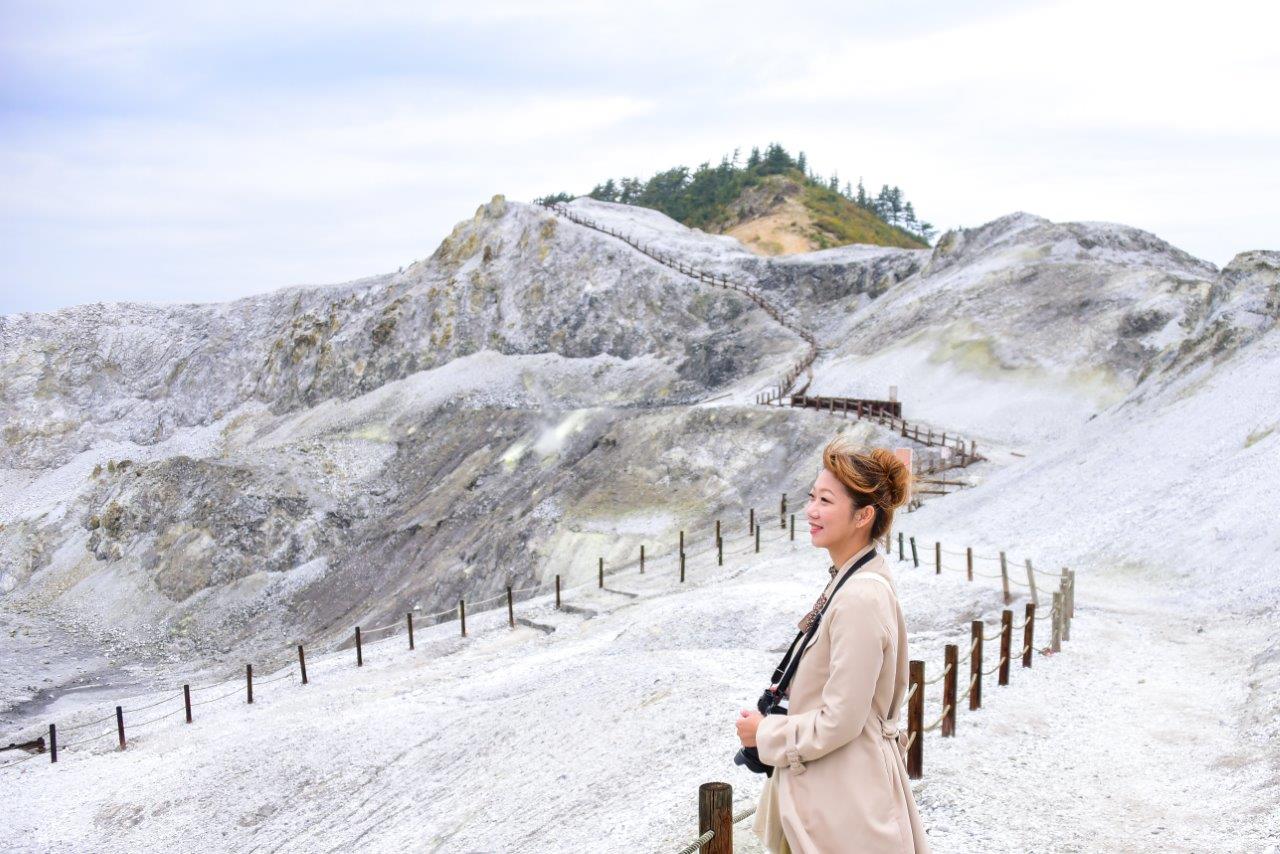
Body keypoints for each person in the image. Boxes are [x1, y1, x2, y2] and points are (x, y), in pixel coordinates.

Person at [735, 438, 930, 853]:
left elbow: (842, 720)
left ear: (863, 515)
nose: (811, 511)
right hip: (836, 793)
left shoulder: (860, 597)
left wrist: (765, 733)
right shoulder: (851, 578)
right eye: (812, 497)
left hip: (847, 807)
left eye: (825, 500)